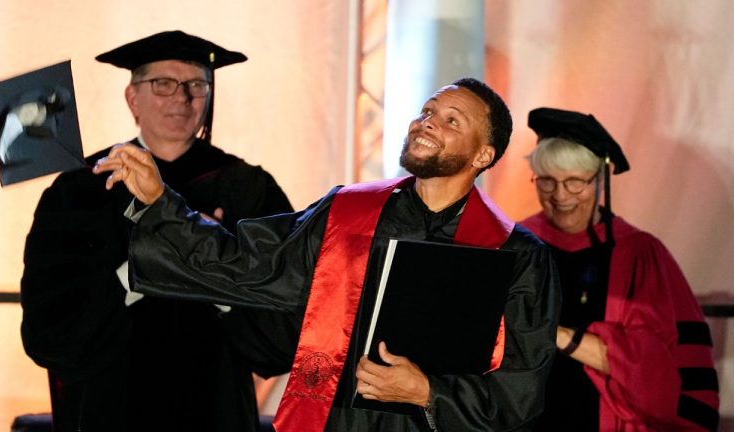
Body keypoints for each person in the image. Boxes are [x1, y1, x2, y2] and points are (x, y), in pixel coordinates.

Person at [94, 77, 561, 431]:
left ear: (483, 155)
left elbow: (521, 389)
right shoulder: (348, 213)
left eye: (451, 120)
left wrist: (427, 391)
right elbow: (248, 261)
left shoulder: (517, 257)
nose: (428, 122)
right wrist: (162, 203)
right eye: (427, 111)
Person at [20, 30, 295, 432]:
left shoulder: (247, 188)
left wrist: (213, 273)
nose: (182, 98)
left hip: (215, 409)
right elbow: (48, 331)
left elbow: (284, 333)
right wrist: (136, 274)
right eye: (163, 84)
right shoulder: (81, 189)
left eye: (196, 85)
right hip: (110, 407)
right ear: (133, 98)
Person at [521, 107, 720, 431]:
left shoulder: (641, 253)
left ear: (600, 177)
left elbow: (660, 369)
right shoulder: (516, 246)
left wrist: (559, 336)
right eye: (547, 181)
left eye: (575, 182)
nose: (560, 196)